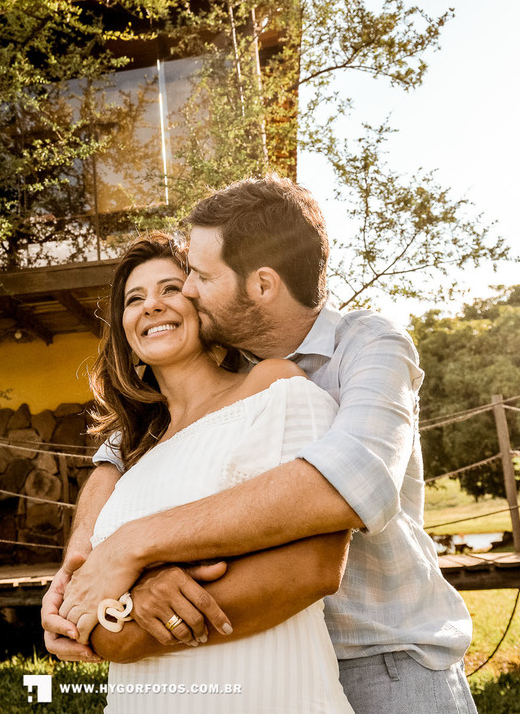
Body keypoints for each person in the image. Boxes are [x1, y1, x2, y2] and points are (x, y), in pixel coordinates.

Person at [43, 177, 476, 714]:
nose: (188, 291)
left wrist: (133, 546)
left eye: (199, 278)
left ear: (262, 285)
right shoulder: (227, 376)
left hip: (386, 658)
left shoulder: (365, 346)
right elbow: (120, 454)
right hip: (265, 645)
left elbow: (351, 483)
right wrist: (85, 559)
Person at [76, 231, 355, 713]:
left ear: (204, 302)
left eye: (170, 289)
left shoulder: (273, 386)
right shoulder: (135, 452)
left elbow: (313, 569)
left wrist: (131, 628)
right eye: (134, 299)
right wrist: (134, 595)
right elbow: (87, 597)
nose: (151, 305)